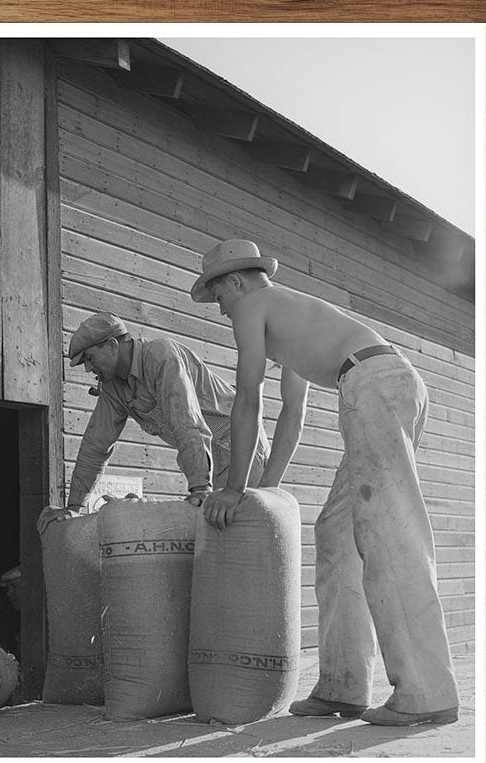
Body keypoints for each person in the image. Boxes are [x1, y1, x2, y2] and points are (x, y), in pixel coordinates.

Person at [191, 239, 459, 727]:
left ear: (234, 281)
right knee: (337, 535)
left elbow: (246, 397)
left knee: (387, 534)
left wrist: (232, 489)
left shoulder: (253, 304)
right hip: (381, 383)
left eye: (219, 300)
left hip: (373, 384)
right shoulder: (290, 318)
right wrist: (264, 489)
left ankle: (426, 691)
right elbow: (292, 413)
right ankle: (343, 684)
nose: (223, 312)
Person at [37, 311, 269, 534]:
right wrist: (73, 507)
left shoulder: (161, 355)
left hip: (241, 450)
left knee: (237, 540)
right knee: (215, 543)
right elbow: (96, 446)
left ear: (112, 345)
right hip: (211, 462)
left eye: (89, 358)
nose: (88, 368)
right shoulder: (113, 388)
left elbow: (187, 423)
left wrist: (199, 487)